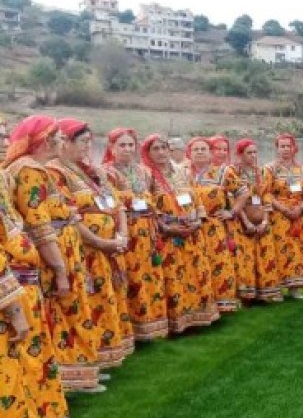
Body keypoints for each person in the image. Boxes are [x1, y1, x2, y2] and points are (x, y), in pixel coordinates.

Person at [5, 116, 102, 391]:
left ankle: (75, 373)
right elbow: (38, 223)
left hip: (61, 248)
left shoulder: (35, 169)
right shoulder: (30, 171)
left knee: (66, 312)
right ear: (44, 140)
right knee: (66, 311)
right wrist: (60, 269)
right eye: (57, 137)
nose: (60, 142)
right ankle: (72, 376)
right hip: (54, 252)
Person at [0, 116, 69, 418]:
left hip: (19, 281)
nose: (2, 143)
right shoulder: (26, 171)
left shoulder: (3, 177)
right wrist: (12, 306)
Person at [50, 118, 133, 369]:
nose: (88, 147)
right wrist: (99, 241)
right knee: (86, 306)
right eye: (84, 142)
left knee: (103, 303)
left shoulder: (89, 171)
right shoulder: (56, 172)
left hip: (105, 250)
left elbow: (115, 204)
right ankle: (84, 363)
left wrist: (122, 234)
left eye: (90, 142)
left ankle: (103, 356)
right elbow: (68, 215)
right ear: (65, 142)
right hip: (85, 251)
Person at [141, 134, 216, 332]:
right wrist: (166, 227)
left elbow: (197, 198)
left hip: (192, 231)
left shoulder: (182, 171)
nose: (161, 152)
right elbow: (148, 207)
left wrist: (199, 220)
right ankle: (176, 322)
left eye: (164, 148)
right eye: (155, 149)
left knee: (196, 272)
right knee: (174, 276)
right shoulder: (146, 175)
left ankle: (197, 316)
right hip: (168, 235)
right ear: (148, 153)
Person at [103, 128, 169, 341]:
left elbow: (157, 196)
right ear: (112, 148)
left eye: (131, 145)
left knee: (149, 274)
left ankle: (151, 326)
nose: (127, 149)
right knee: (130, 276)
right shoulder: (105, 172)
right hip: (126, 230)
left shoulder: (144, 171)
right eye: (122, 145)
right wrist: (132, 199)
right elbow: (110, 202)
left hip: (147, 231)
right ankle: (131, 329)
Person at [187, 136, 242, 312]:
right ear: (189, 153)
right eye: (196, 149)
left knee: (217, 262)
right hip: (190, 228)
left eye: (204, 149)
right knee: (194, 265)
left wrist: (231, 212)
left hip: (213, 225)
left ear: (210, 152)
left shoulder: (223, 172)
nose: (200, 152)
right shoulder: (181, 173)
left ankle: (222, 303)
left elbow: (243, 192)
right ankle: (199, 303)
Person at [227, 139, 282, 303]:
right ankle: (247, 295)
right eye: (248, 153)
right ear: (240, 154)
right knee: (246, 258)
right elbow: (235, 199)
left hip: (261, 217)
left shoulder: (261, 172)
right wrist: (247, 222)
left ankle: (264, 293)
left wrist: (265, 221)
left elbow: (266, 196)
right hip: (243, 220)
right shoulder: (232, 171)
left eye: (255, 152)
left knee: (264, 256)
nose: (253, 156)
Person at [264, 134, 303, 299]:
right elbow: (266, 193)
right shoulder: (269, 169)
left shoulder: (302, 169)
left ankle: (295, 288)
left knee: (298, 249)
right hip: (279, 215)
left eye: (288, 146)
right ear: (277, 148)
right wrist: (283, 209)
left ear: (293, 148)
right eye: (282, 146)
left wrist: (300, 208)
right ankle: (279, 287)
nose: (285, 149)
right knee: (281, 250)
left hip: (299, 215)